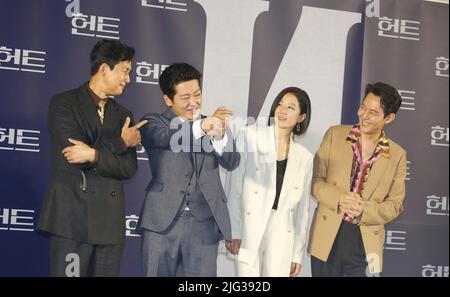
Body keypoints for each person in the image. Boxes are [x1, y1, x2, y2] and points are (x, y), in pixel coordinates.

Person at [37, 39, 147, 277]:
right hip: (72, 218)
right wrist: (120, 143)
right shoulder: (64, 103)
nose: (129, 79)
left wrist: (94, 153)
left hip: (109, 224)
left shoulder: (123, 115)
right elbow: (75, 155)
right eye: (125, 71)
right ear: (105, 68)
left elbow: (128, 168)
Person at [137, 62, 240, 277]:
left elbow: (231, 161)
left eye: (197, 94)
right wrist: (202, 127)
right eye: (185, 98)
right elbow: (167, 138)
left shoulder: (213, 124)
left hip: (203, 223)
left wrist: (219, 134)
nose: (194, 102)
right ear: (168, 99)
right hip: (161, 222)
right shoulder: (153, 121)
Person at [308, 82, 406, 277]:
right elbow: (316, 182)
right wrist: (339, 199)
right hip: (327, 237)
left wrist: (364, 210)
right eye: (363, 107)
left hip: (367, 244)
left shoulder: (397, 155)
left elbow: (395, 205)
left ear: (389, 118)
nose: (364, 115)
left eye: (373, 112)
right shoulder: (335, 135)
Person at [225, 87, 313, 277]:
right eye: (280, 104)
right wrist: (234, 231)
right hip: (249, 226)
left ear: (301, 117)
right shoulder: (250, 136)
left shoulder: (304, 157)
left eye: (291, 107)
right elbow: (234, 186)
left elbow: (302, 211)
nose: (282, 110)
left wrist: (297, 254)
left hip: (282, 231)